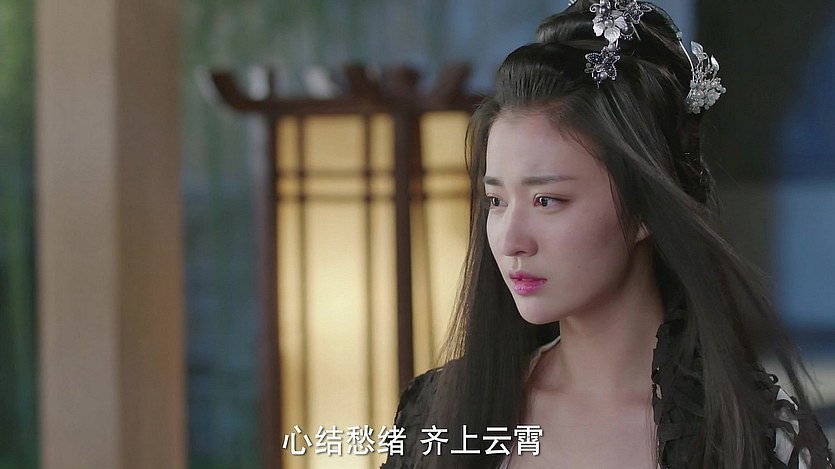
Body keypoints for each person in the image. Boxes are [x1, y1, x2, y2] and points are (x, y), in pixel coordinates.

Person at [381, 1, 834, 468]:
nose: (511, 240)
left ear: (643, 209)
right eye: (496, 201)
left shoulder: (754, 437)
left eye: (546, 200)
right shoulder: (440, 415)